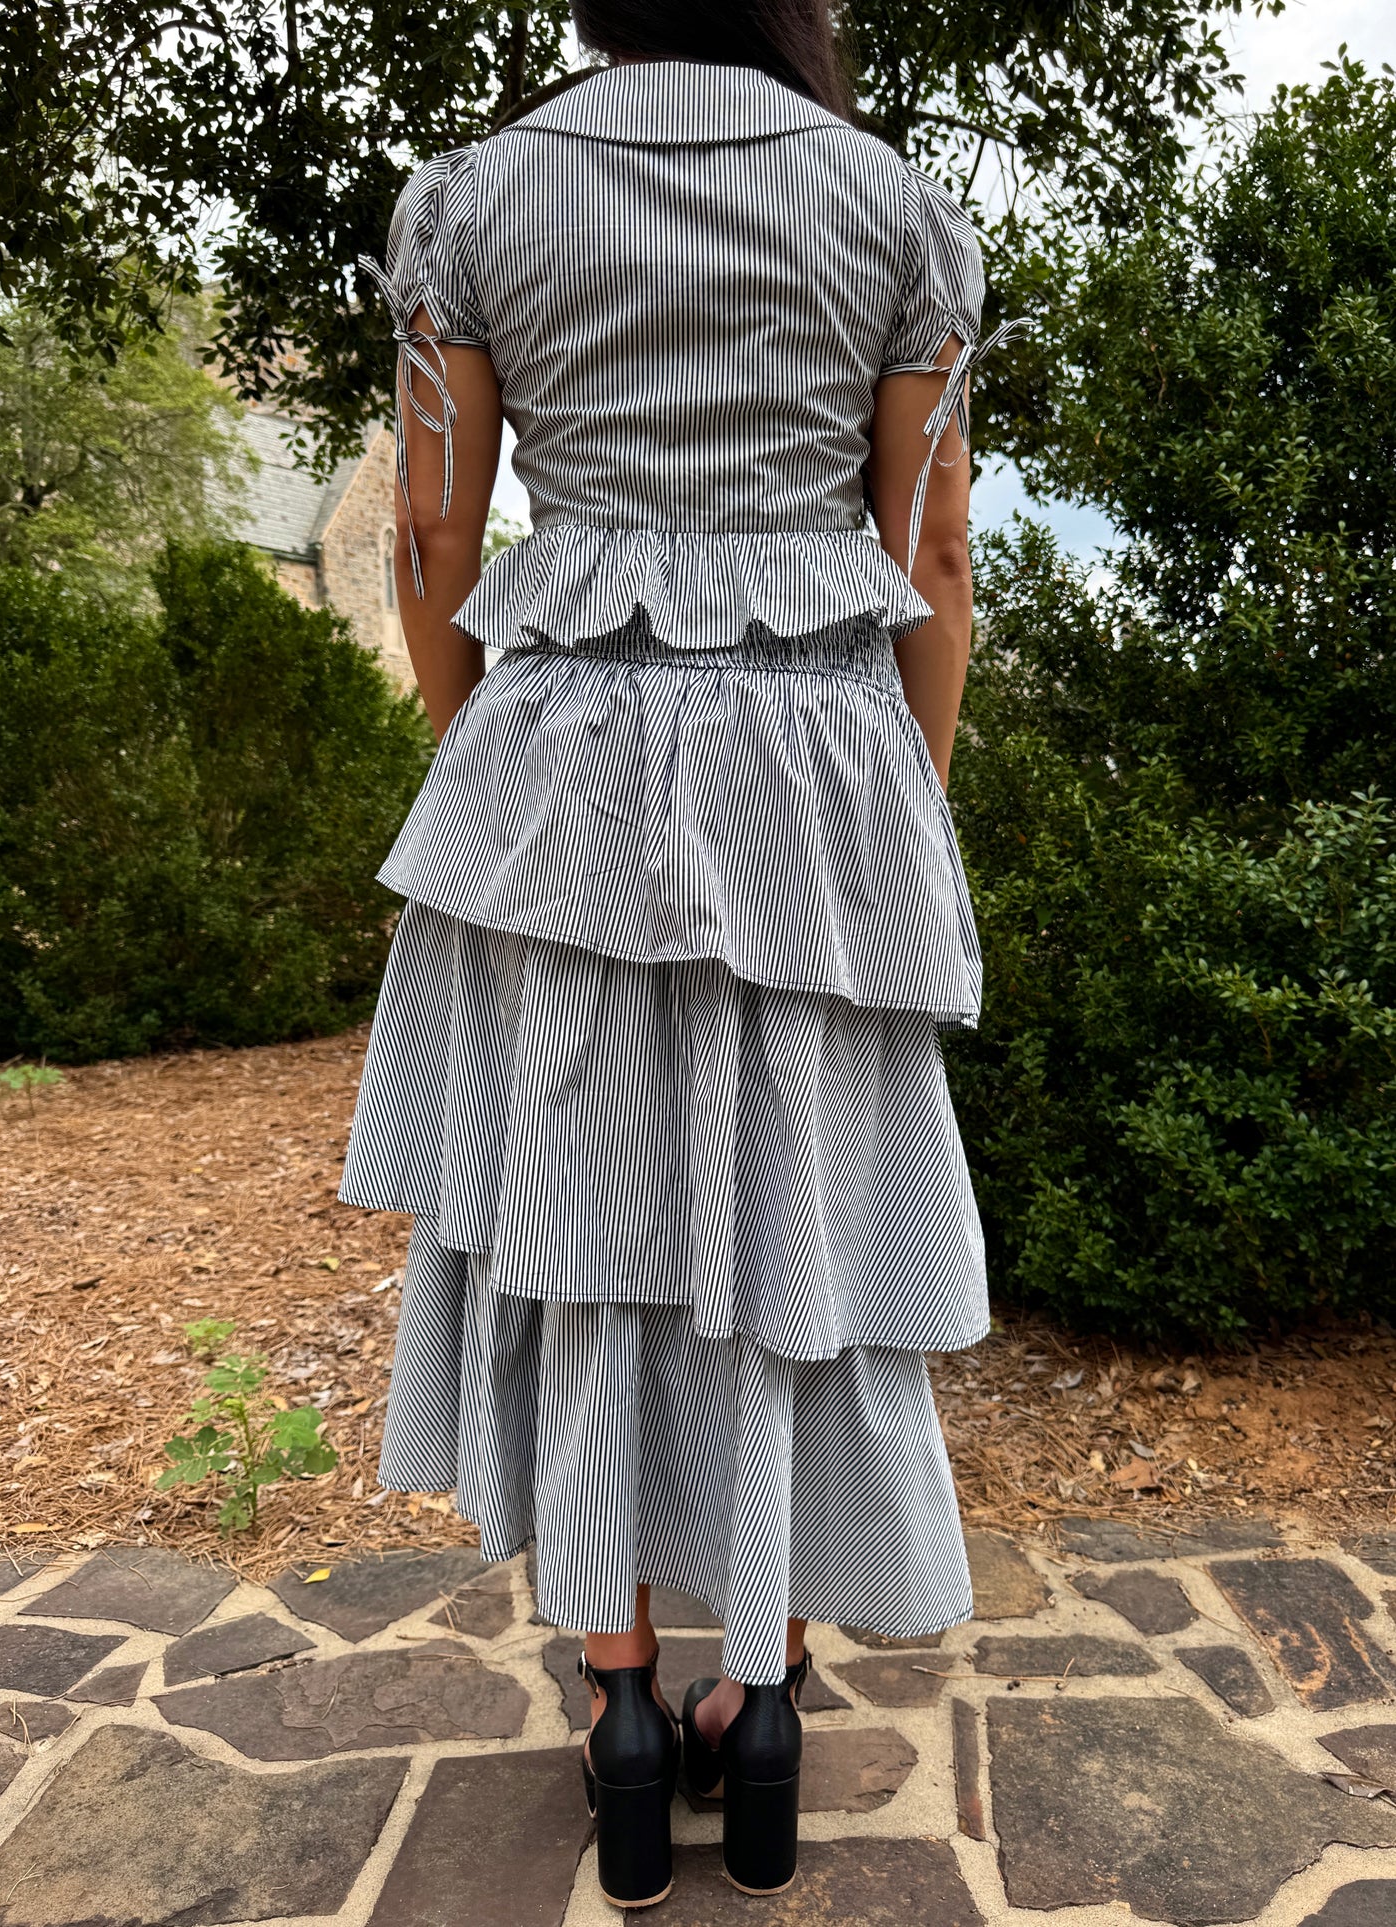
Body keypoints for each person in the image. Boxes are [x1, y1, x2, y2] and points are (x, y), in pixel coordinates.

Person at [340, 0, 1025, 1906]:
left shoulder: (474, 204)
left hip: (557, 770)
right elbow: (934, 547)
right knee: (781, 1225)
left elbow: (427, 523)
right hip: (817, 771)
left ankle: (623, 1708)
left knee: (590, 1234)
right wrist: (907, 802)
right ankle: (771, 1693)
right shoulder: (891, 210)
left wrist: (484, 767)